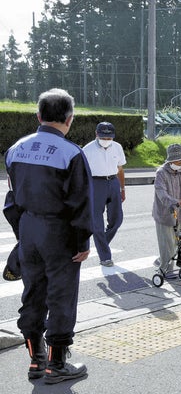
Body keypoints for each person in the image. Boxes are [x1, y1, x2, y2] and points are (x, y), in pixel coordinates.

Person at [4, 88, 93, 384]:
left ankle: (35, 362)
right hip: (60, 232)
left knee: (33, 294)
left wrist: (23, 234)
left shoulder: (16, 149)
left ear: (39, 116)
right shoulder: (71, 153)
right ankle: (57, 365)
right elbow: (81, 204)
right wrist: (82, 242)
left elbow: (11, 197)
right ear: (69, 119)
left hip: (28, 229)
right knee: (61, 296)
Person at [82, 121, 126, 267]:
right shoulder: (87, 150)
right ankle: (105, 256)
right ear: (96, 134)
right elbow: (82, 174)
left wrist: (122, 189)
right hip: (96, 184)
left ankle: (102, 243)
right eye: (103, 138)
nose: (106, 141)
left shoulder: (117, 147)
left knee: (117, 219)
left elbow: (120, 169)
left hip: (113, 182)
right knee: (97, 224)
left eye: (109, 138)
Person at [152, 143, 181, 278]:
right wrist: (175, 201)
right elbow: (161, 194)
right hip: (164, 215)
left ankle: (161, 260)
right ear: (171, 160)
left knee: (177, 243)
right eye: (179, 160)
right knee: (167, 243)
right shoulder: (161, 173)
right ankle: (166, 269)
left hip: (180, 213)